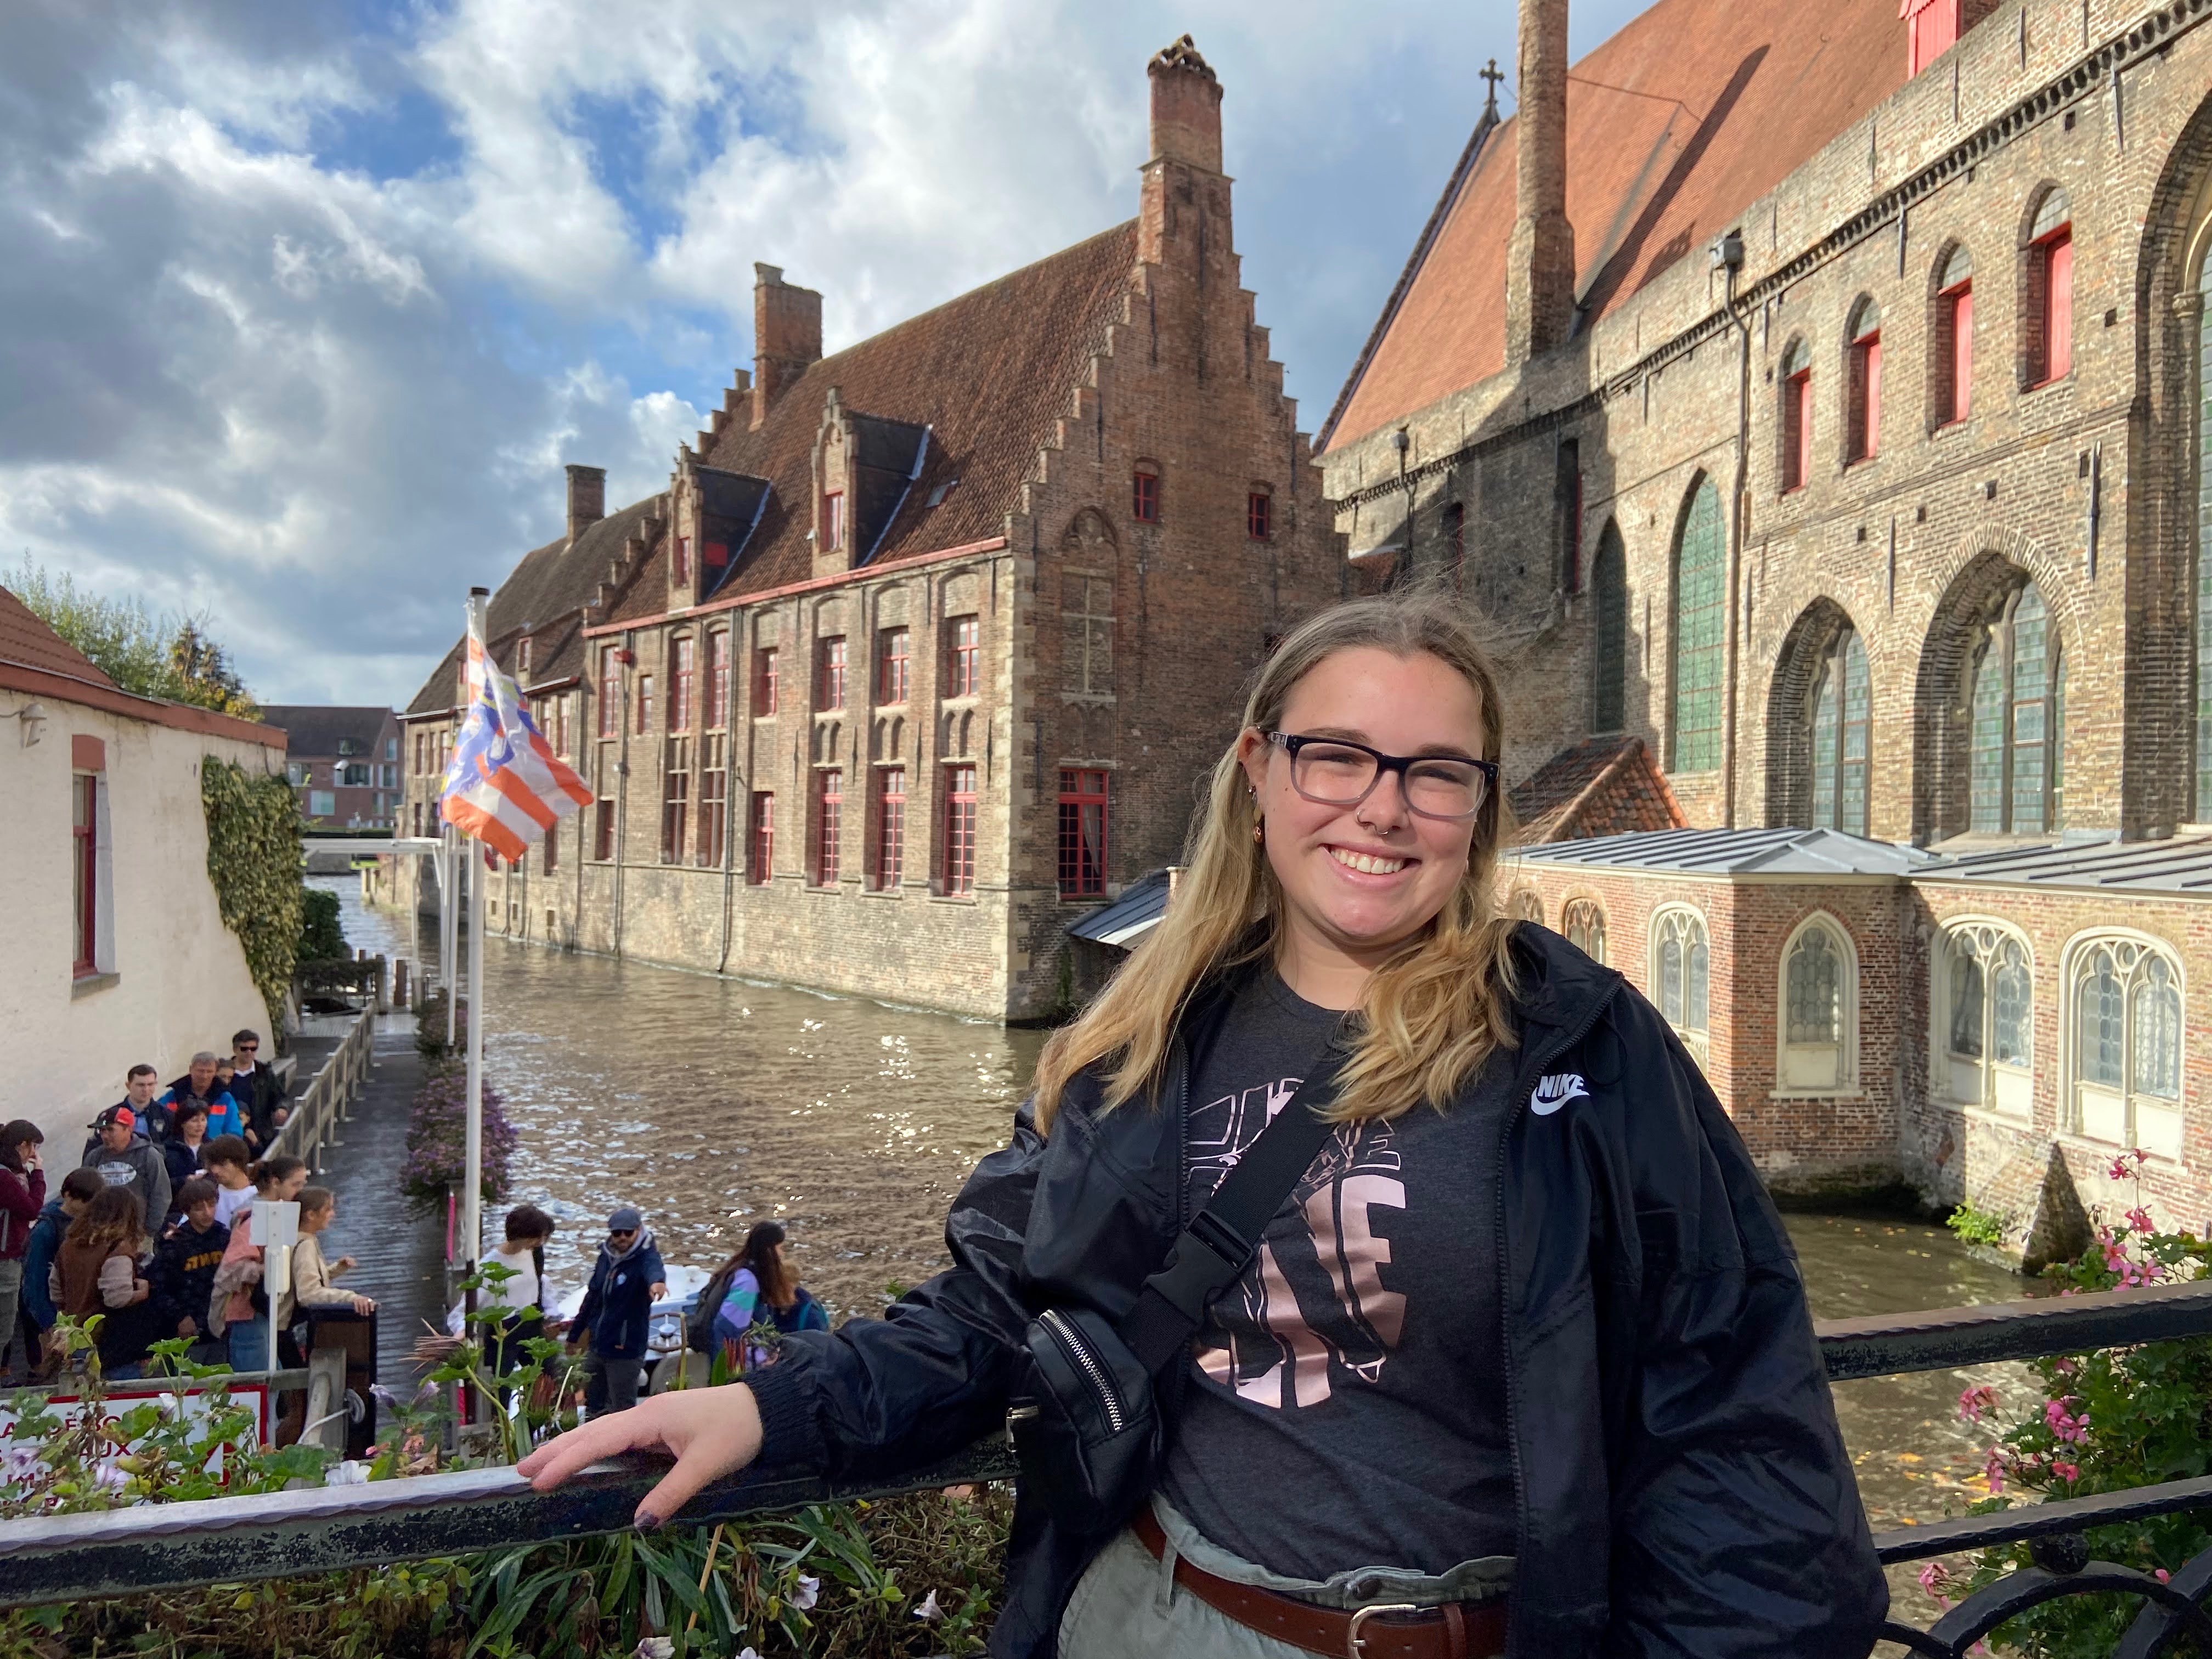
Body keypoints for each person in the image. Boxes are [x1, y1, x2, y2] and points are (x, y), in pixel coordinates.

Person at [519, 591, 1888, 1659]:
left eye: (1435, 772)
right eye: (1336, 756)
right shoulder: (1143, 1041)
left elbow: (1734, 1411)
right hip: (1170, 1623)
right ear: (1258, 769)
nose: (1382, 807)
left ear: (1479, 808)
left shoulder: (1579, 1047)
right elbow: (1000, 1308)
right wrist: (770, 1406)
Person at [206, 1154, 308, 1373]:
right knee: (258, 1384)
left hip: (267, 1311)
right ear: (275, 1183)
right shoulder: (253, 1218)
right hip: (248, 1312)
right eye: (296, 1184)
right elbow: (230, 1268)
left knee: (275, 1379)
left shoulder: (280, 1212)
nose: (301, 1190)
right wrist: (270, 1268)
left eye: (303, 1184)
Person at [565, 1207, 665, 1418]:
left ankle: (624, 1451)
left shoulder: (646, 1258)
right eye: (617, 1233)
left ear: (639, 1231)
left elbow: (653, 1269)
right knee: (594, 1407)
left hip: (625, 1352)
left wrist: (657, 1283)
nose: (622, 1238)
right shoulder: (606, 1257)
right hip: (597, 1347)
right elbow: (592, 1297)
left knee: (622, 1412)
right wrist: (574, 1335)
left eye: (628, 1233)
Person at [52, 1185, 159, 1381]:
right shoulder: (117, 1249)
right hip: (111, 1344)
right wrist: (142, 1291)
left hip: (76, 1338)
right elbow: (116, 1299)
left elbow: (56, 1291)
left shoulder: (69, 1246)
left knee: (85, 1403)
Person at [706, 1221, 828, 1372]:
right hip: (733, 1365)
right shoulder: (748, 1283)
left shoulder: (740, 1268)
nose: (782, 1254)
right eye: (780, 1248)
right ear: (769, 1250)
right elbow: (729, 1329)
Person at [21, 1168, 100, 1379]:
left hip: (84, 1318)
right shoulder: (45, 1230)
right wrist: (50, 1324)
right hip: (55, 1321)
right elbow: (33, 1285)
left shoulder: (90, 1223)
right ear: (68, 1196)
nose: (89, 1209)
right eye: (85, 1202)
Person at [151, 1176, 230, 1362]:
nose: (207, 1213)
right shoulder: (174, 1245)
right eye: (199, 1208)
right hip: (185, 1331)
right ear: (186, 1211)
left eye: (211, 1205)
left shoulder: (225, 1239)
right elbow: (159, 1287)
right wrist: (180, 1317)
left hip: (220, 1324)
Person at [279, 1187, 375, 1328]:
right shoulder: (305, 1245)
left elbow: (302, 1277)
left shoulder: (298, 1238)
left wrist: (337, 1269)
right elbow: (308, 1294)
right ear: (311, 1215)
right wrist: (352, 1297)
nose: (333, 1214)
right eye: (328, 1209)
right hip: (290, 1327)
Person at [483, 1204, 558, 1380]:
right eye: (538, 1238)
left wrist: (550, 1312)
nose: (541, 1243)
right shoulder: (489, 1265)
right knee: (501, 1384)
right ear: (522, 1235)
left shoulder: (534, 1252)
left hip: (532, 1321)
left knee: (545, 1379)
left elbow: (539, 1282)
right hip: (503, 1330)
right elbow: (472, 1303)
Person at [0, 1122, 47, 1383]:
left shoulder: (10, 1175)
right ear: (22, 1145)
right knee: (4, 1326)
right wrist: (38, 1172)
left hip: (8, 1256)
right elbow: (31, 1209)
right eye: (33, 1146)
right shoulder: (5, 1178)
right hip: (4, 1259)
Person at [79, 1105, 170, 1235]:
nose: (105, 1135)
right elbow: (83, 1192)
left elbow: (161, 1195)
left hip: (137, 1232)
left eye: (110, 1130)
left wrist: (149, 1230)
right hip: (101, 1232)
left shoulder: (149, 1156)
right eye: (102, 1131)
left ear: (128, 1129)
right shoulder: (94, 1157)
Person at [156, 1053, 244, 1143]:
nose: (204, 1076)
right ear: (191, 1069)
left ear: (215, 1072)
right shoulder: (172, 1096)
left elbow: (235, 1133)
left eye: (209, 1072)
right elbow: (157, 1122)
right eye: (200, 1071)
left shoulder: (225, 1099)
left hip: (214, 1154)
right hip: (178, 1152)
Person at [227, 1029, 289, 1150]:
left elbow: (280, 1097)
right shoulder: (225, 1073)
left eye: (253, 1049)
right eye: (244, 1049)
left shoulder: (265, 1073)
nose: (249, 1052)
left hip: (261, 1135)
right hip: (232, 1133)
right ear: (235, 1049)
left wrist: (282, 1108)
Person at [157, 1102, 210, 1224]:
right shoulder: (167, 1149)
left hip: (207, 1208)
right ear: (183, 1123)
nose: (200, 1125)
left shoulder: (212, 1148)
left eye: (203, 1120)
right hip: (175, 1211)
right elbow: (160, 1184)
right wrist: (185, 1180)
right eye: (194, 1121)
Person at [202, 1136, 257, 1230]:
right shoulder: (207, 1194)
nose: (215, 1170)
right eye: (212, 1165)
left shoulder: (258, 1195)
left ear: (239, 1163)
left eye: (223, 1164)